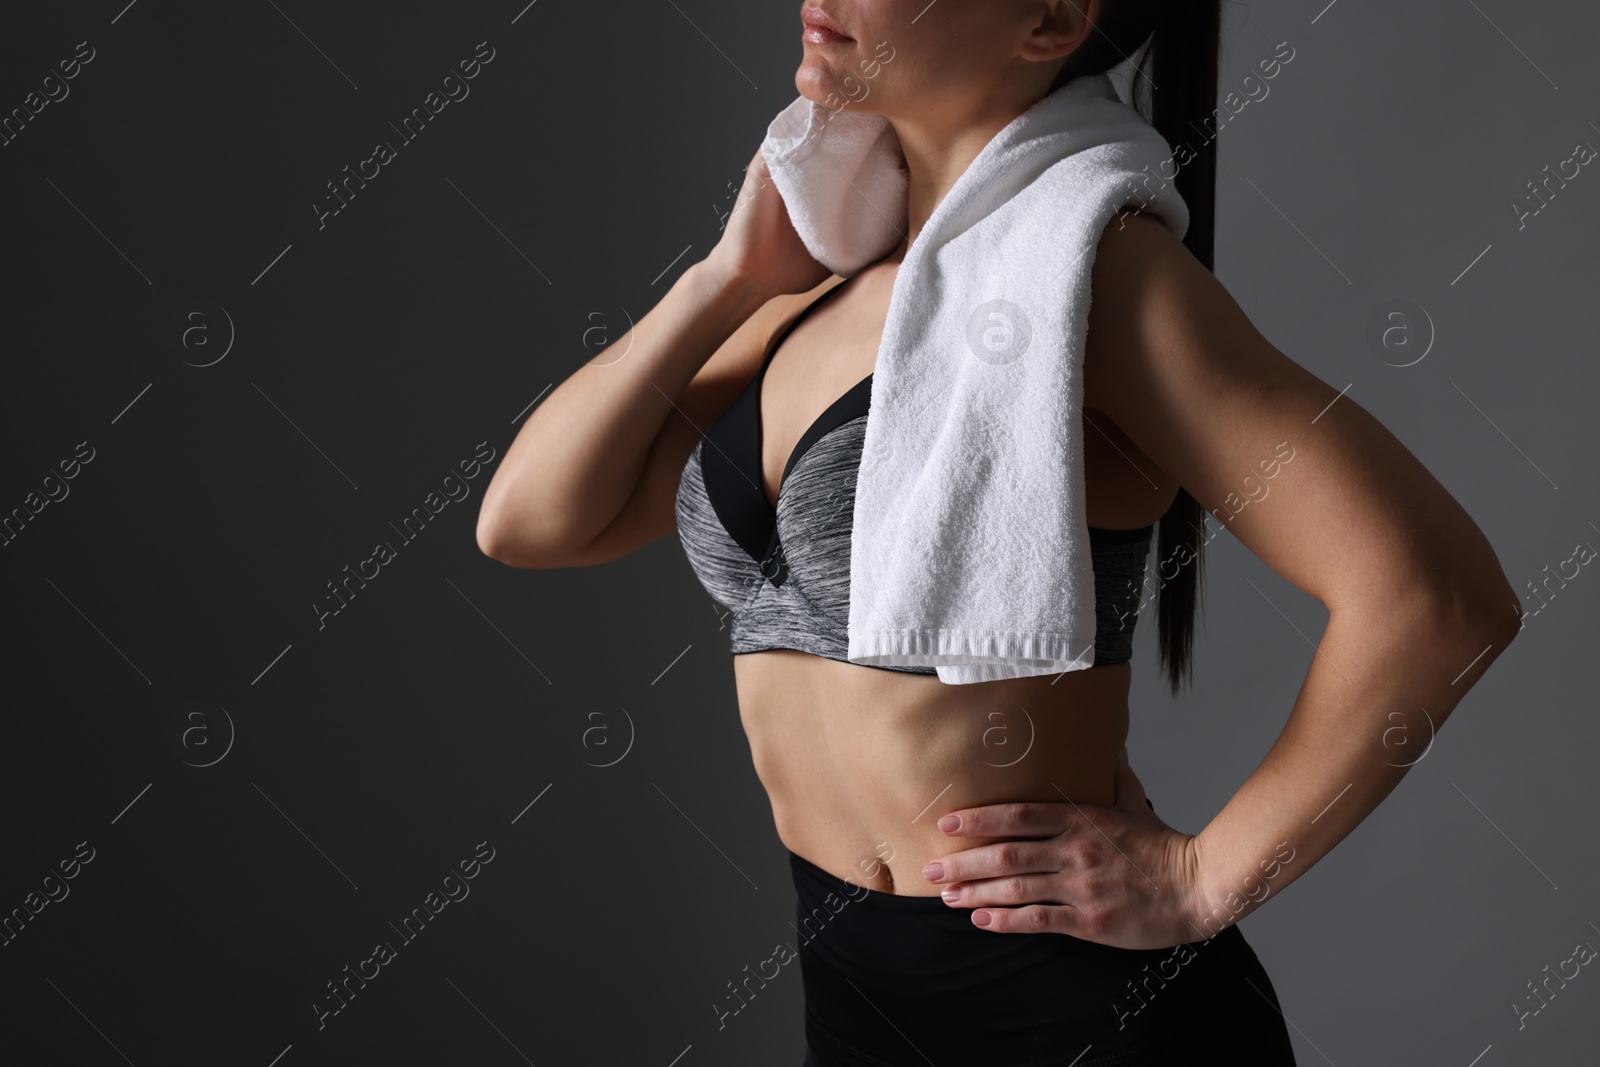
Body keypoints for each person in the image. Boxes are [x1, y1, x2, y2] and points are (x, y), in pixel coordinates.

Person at [476, 2, 1520, 1062]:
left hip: (1074, 1011)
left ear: (1051, 19)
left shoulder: (1096, 281)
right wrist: (725, 277)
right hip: (857, 1003)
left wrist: (1201, 877)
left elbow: (1435, 599)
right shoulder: (806, 289)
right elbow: (530, 519)